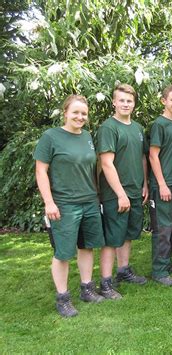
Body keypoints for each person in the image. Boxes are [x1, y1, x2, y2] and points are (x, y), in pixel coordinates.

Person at [34, 95, 105, 317]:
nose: (80, 117)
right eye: (75, 112)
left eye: (84, 113)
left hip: (90, 201)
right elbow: (40, 171)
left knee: (87, 246)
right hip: (64, 205)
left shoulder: (87, 137)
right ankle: (63, 298)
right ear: (65, 112)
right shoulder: (51, 137)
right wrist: (49, 202)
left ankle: (87, 289)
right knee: (63, 253)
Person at [97, 84, 148, 299]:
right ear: (114, 102)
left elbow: (142, 157)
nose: (126, 104)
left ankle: (123, 271)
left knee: (127, 234)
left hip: (136, 190)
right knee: (112, 238)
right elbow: (106, 163)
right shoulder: (109, 128)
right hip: (116, 194)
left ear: (134, 104)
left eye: (129, 101)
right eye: (122, 100)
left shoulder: (137, 128)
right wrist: (120, 194)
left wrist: (145, 184)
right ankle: (105, 284)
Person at [149, 85, 172, 286]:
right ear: (164, 101)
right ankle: (159, 270)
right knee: (162, 228)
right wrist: (162, 184)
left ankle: (168, 262)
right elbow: (153, 156)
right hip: (162, 185)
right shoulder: (159, 125)